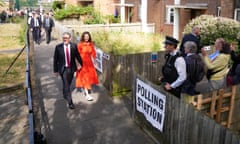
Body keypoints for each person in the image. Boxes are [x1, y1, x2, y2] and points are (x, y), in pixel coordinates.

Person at [53, 32, 83, 109]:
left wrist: (81, 64)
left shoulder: (74, 46)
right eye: (63, 38)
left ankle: (64, 92)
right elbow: (55, 59)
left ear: (69, 38)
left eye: (66, 38)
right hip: (63, 69)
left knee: (68, 83)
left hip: (72, 68)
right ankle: (70, 102)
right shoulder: (58, 47)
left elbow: (78, 56)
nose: (65, 39)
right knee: (67, 84)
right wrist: (55, 70)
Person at [75, 31, 99, 101]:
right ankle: (87, 95)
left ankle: (86, 88)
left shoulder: (91, 44)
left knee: (89, 77)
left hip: (89, 63)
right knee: (85, 77)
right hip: (82, 62)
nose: (86, 38)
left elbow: (93, 53)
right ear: (83, 37)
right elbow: (76, 55)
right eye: (85, 36)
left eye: (87, 36)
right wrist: (77, 64)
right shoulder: (80, 45)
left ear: (89, 37)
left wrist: (95, 61)